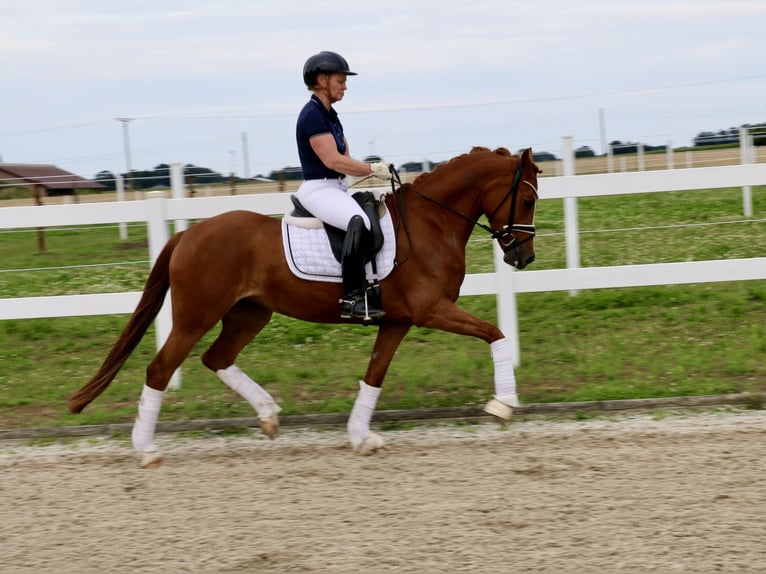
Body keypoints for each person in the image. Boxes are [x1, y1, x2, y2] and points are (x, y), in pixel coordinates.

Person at [295, 50, 391, 320]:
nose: (345, 86)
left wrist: (368, 174)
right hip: (318, 189)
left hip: (336, 187)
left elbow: (345, 160)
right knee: (357, 221)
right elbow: (333, 160)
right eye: (340, 80)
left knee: (371, 211)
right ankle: (352, 299)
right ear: (322, 80)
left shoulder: (330, 116)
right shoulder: (312, 115)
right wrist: (372, 168)